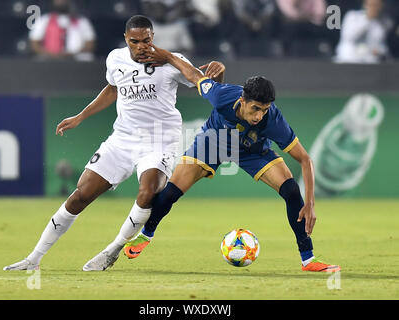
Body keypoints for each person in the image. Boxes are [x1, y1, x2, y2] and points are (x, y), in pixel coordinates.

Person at [3, 15, 225, 271]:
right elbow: (112, 88)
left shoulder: (171, 61)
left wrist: (183, 62)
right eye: (135, 41)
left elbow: (204, 82)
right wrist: (81, 116)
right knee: (79, 196)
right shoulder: (115, 58)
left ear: (153, 37)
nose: (141, 46)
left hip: (159, 139)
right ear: (125, 39)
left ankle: (113, 249)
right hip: (122, 138)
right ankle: (33, 259)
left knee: (148, 191)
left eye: (146, 40)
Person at [123, 43, 341, 272]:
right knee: (170, 194)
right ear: (243, 100)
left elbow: (305, 159)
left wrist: (311, 204)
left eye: (264, 110)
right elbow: (195, 75)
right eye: (256, 108)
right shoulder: (222, 97)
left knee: (291, 191)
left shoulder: (273, 120)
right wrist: (167, 56)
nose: (259, 116)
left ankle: (308, 259)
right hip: (212, 143)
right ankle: (146, 234)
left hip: (252, 150)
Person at [29, 0, 96, 61]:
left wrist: (71, 54)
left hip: (77, 62)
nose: (61, 1)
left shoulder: (82, 21)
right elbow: (34, 44)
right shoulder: (43, 20)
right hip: (49, 61)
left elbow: (90, 44)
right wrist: (53, 55)